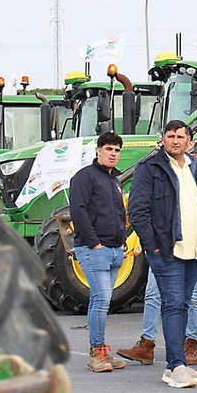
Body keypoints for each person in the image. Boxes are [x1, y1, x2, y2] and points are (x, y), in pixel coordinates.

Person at [128, 119, 197, 389]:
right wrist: (153, 245)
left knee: (185, 304)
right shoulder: (150, 168)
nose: (175, 141)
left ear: (189, 140)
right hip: (168, 249)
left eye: (180, 136)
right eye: (170, 136)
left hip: (196, 248)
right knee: (173, 305)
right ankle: (175, 365)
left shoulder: (196, 168)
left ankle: (178, 366)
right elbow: (138, 210)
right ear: (162, 139)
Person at [64, 131, 130, 373]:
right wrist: (94, 244)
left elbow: (119, 212)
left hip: (114, 249)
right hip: (94, 249)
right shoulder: (84, 177)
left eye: (116, 150)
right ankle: (96, 353)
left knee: (103, 300)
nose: (113, 154)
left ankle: (102, 350)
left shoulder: (116, 180)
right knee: (101, 300)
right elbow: (78, 212)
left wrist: (122, 241)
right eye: (108, 149)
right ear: (98, 151)